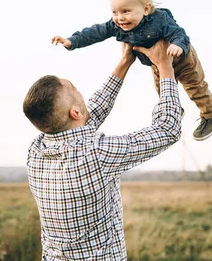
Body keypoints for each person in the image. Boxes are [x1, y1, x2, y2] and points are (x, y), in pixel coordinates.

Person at [23, 40, 182, 260]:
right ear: (74, 112)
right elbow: (167, 129)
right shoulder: (96, 152)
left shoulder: (36, 151)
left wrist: (125, 62)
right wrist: (165, 68)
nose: (79, 91)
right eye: (74, 88)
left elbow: (87, 117)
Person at [51, 0, 212, 141]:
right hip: (156, 64)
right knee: (162, 91)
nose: (119, 18)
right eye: (115, 12)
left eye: (126, 11)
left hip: (183, 61)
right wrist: (71, 41)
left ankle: (211, 116)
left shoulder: (160, 20)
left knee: (195, 89)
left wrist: (178, 45)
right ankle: (172, 109)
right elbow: (95, 33)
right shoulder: (116, 25)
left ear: (146, 9)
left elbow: (179, 33)